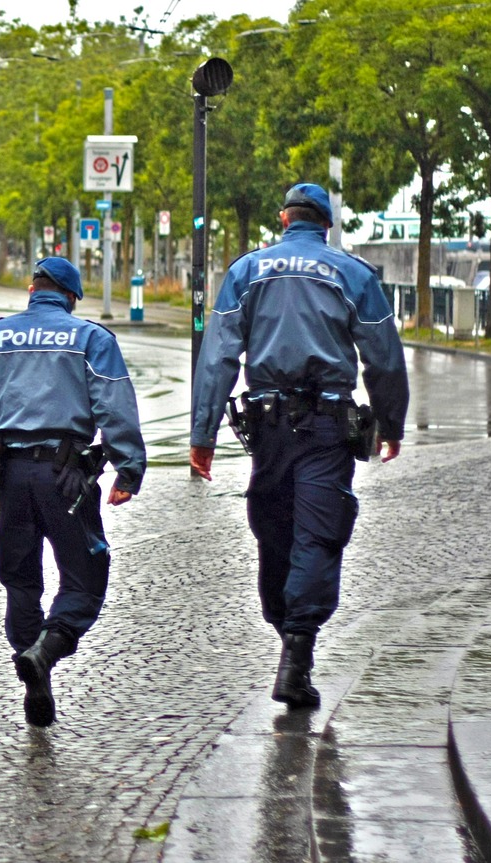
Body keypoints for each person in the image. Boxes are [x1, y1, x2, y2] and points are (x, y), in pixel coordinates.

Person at [189, 183, 409, 709]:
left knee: (275, 531)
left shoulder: (246, 271)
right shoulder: (354, 274)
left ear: (284, 218)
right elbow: (383, 356)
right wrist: (391, 424)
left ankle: (289, 638)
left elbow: (217, 355)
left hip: (266, 428)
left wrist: (203, 435)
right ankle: (298, 648)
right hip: (327, 427)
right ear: (326, 224)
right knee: (318, 531)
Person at [0, 257, 146, 727]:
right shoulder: (92, 338)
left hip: (10, 476)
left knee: (20, 580)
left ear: (32, 290)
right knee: (84, 576)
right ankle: (47, 648)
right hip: (66, 477)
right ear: (71, 297)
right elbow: (114, 407)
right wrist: (128, 470)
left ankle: (33, 666)